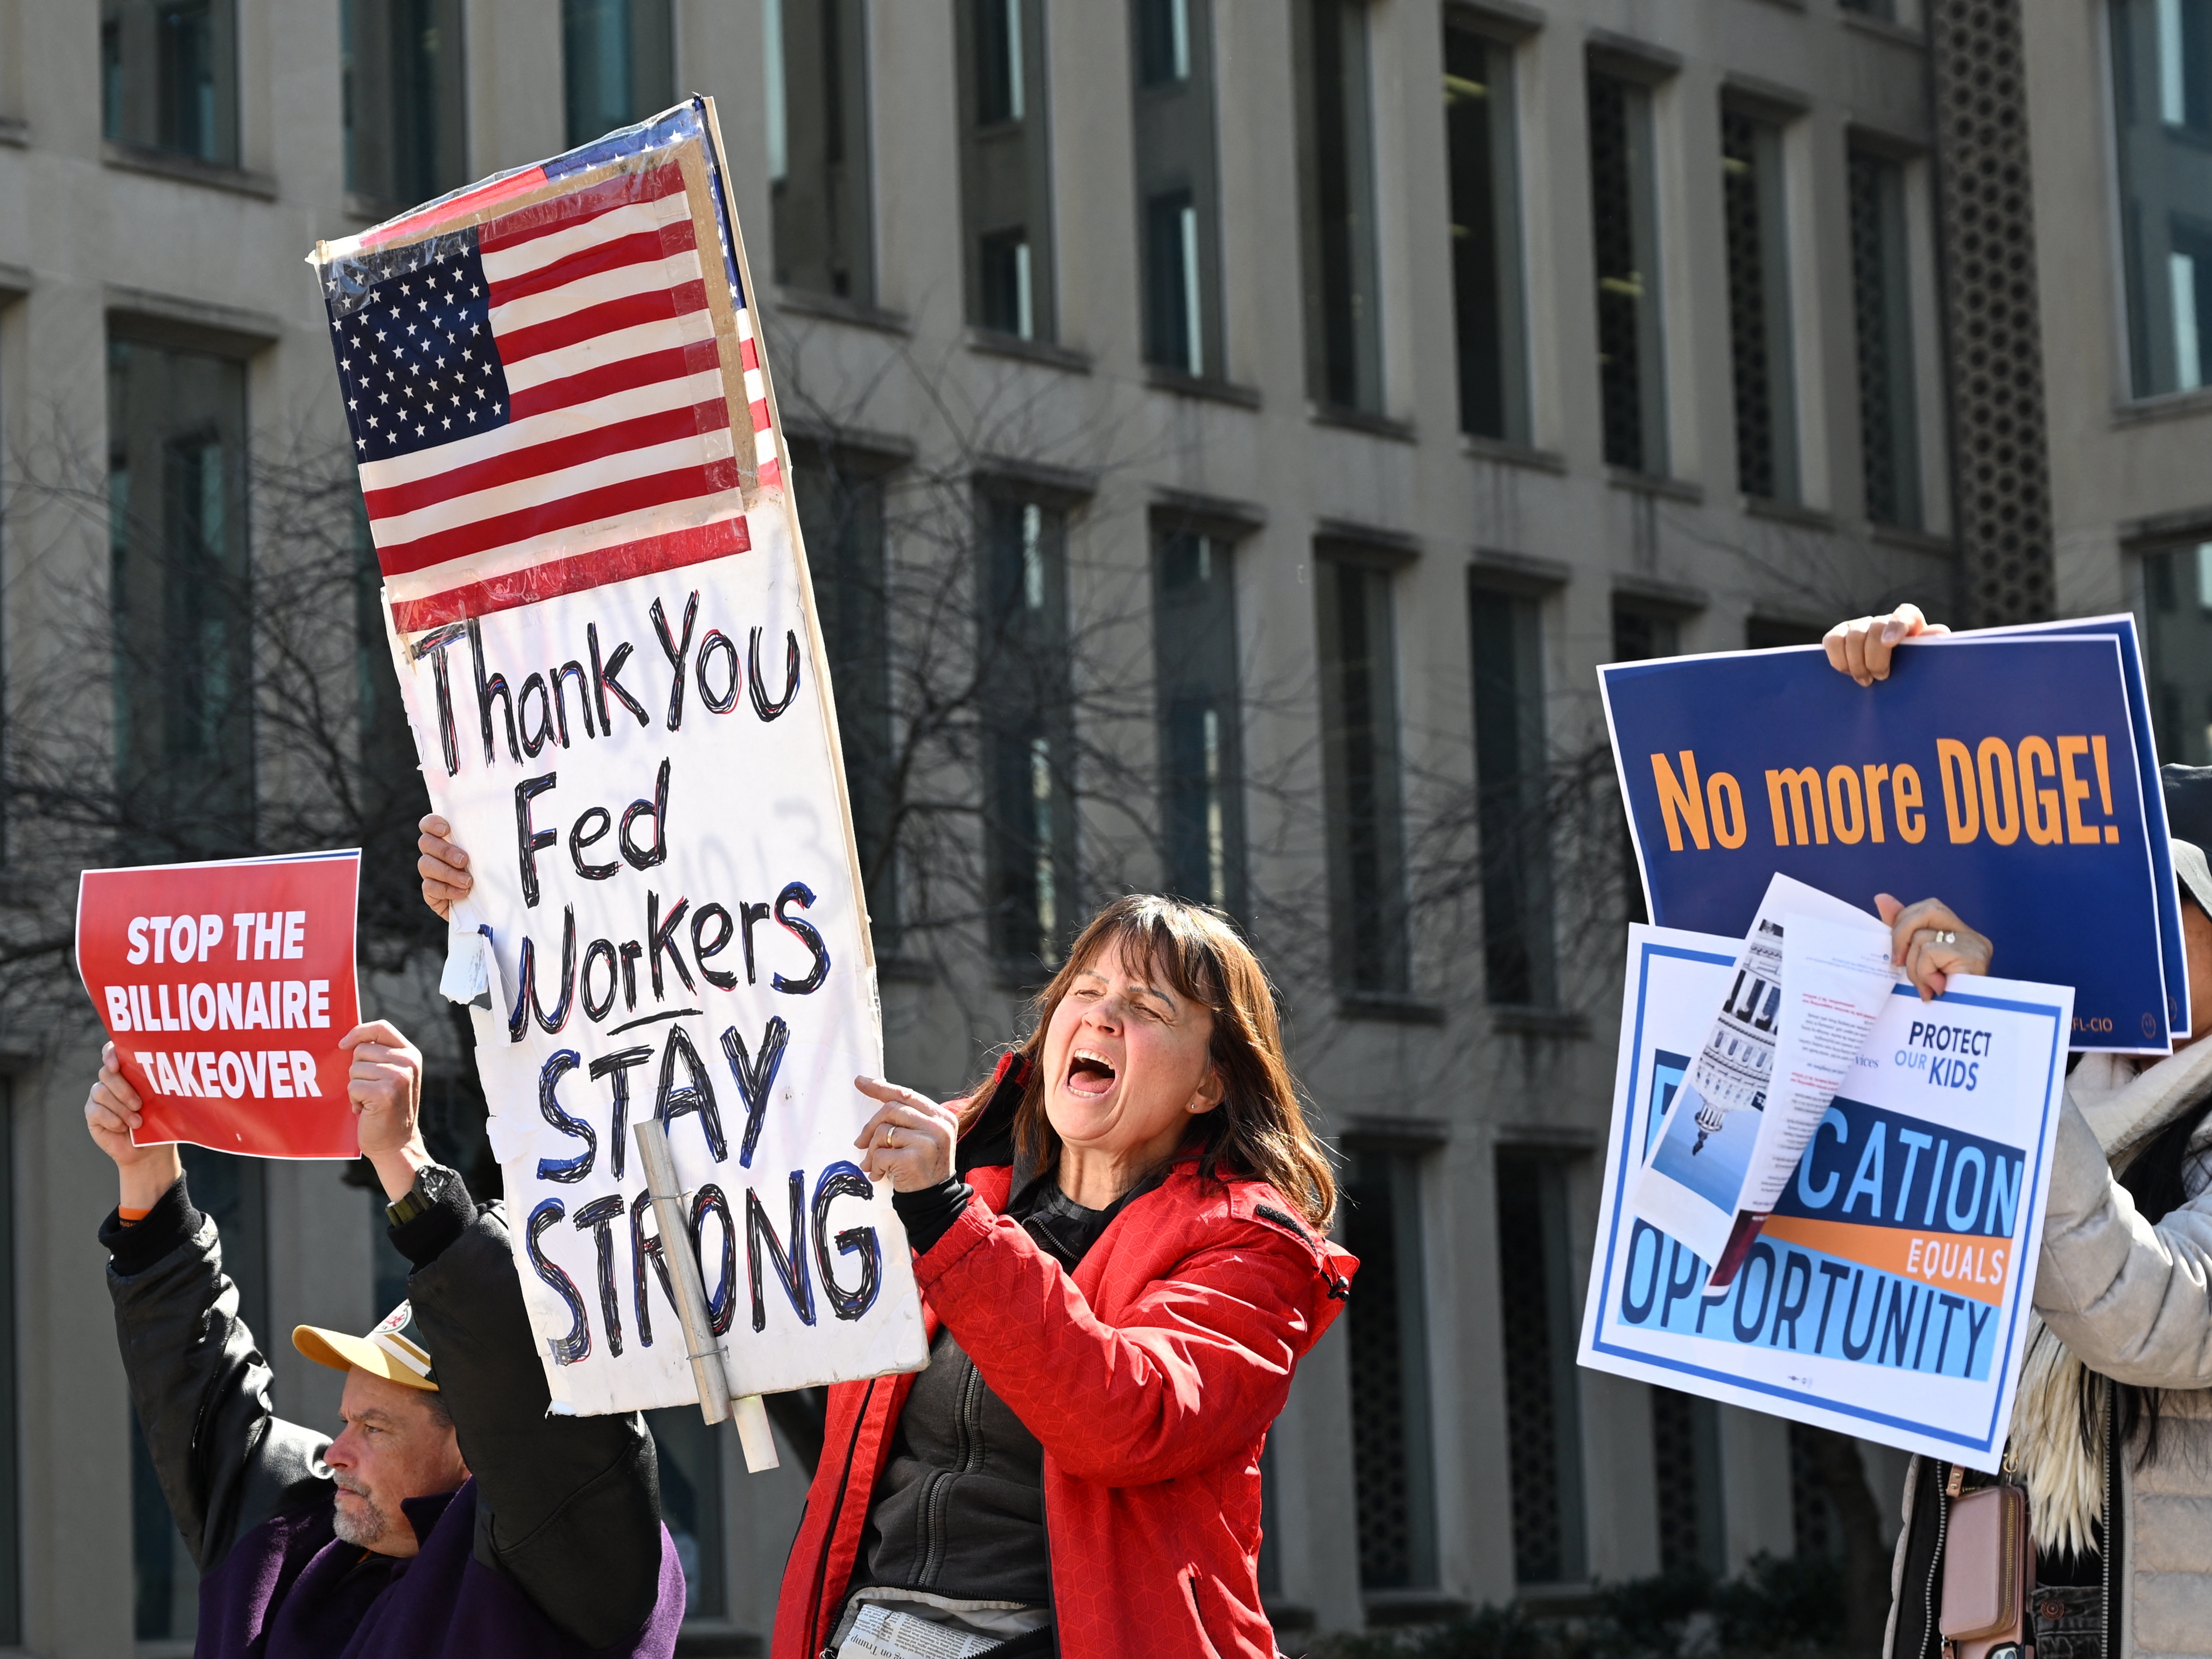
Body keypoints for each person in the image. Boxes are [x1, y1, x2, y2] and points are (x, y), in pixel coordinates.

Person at [418, 810, 1356, 1658]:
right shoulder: (945, 1172)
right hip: (869, 1631)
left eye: (1148, 1009)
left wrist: (947, 1217)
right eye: (1088, 988)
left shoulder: (1252, 1248)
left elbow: (1125, 1419)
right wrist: (503, 935)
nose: (1102, 1013)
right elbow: (685, 1157)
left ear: (1206, 1086)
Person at [1823, 606, 2212, 1659]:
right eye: (2107, 895)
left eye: (2166, 899)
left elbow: (2153, 1317)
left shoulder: (2023, 1083)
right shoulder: (2033, 1081)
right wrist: (1917, 709)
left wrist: (2003, 1054)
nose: (2127, 927)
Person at [87, 1016, 686, 1658]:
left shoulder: (567, 1555)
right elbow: (196, 1394)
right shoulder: (306, 1537)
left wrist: (402, 1159)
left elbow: (530, 1405)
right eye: (347, 1421)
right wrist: (147, 1183)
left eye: (375, 1428)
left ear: (474, 1447)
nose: (335, 1451)